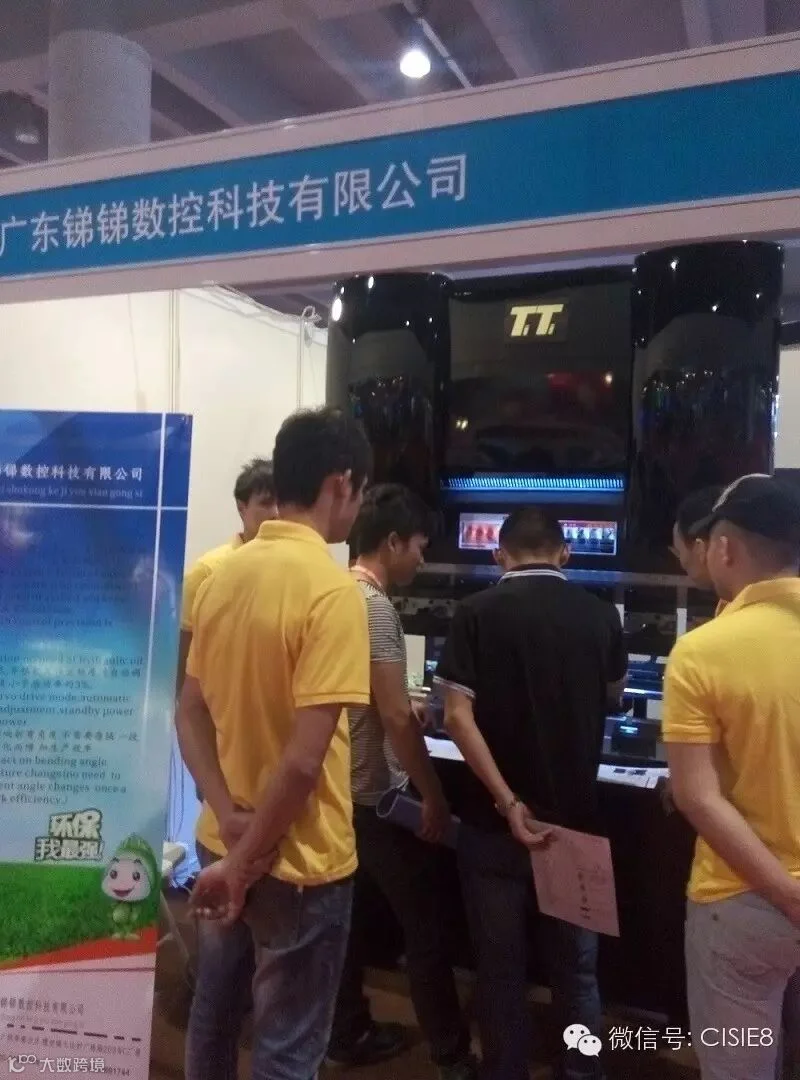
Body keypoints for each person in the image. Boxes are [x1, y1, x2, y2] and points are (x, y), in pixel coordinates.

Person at [176, 406, 372, 1080]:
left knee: (213, 1016)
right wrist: (246, 861)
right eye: (360, 492)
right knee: (287, 1049)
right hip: (299, 862)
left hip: (221, 839)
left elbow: (188, 711)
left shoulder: (221, 575)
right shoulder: (331, 592)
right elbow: (303, 760)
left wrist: (227, 817)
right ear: (340, 484)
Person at [435, 507, 627, 1080]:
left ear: (500, 555)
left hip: (493, 826)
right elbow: (616, 696)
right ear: (565, 553)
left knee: (500, 972)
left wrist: (507, 801)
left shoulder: (474, 613)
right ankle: (582, 1072)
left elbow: (456, 717)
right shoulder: (601, 616)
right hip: (574, 823)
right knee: (577, 973)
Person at [328, 484, 477, 1079]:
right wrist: (433, 795)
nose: (421, 556)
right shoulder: (375, 606)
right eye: (418, 544)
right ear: (391, 542)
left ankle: (346, 1030)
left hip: (337, 791)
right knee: (427, 928)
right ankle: (451, 1054)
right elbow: (393, 716)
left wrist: (396, 704)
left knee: (346, 921)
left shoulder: (333, 592)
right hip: (379, 796)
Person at [662, 475, 800, 1080]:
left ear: (724, 548)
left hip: (741, 898)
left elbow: (696, 796)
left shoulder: (703, 651)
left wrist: (788, 895)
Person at [177, 457, 277, 690]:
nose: (276, 513)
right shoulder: (208, 571)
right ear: (242, 508)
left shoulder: (299, 570)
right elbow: (183, 652)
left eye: (282, 503)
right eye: (266, 503)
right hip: (219, 702)